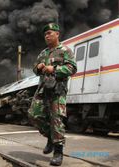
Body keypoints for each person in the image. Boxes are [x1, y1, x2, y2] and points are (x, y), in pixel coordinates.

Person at [28, 23, 77, 166]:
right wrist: (38, 67)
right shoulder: (43, 53)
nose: (47, 36)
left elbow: (72, 68)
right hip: (43, 90)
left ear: (57, 34)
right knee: (33, 115)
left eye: (49, 33)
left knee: (57, 121)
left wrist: (54, 69)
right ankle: (50, 136)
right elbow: (35, 69)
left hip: (57, 91)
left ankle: (58, 152)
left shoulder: (65, 50)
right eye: (45, 34)